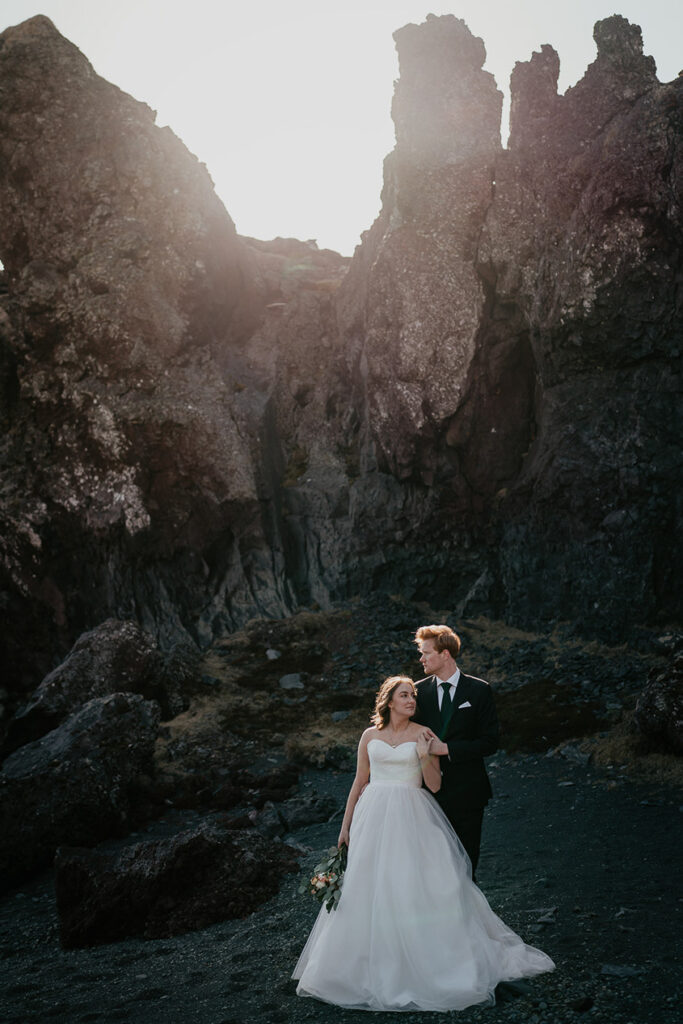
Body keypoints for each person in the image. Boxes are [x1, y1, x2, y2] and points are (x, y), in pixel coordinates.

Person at [293, 676, 554, 1013]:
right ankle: (362, 963)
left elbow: (433, 784)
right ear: (389, 701)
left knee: (412, 884)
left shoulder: (423, 733)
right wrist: (345, 828)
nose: (411, 700)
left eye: (413, 695)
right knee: (368, 886)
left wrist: (425, 755)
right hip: (372, 816)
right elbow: (359, 782)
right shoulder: (369, 735)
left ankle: (421, 961)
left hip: (412, 815)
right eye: (404, 695)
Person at [413, 623, 499, 879]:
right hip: (428, 793)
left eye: (426, 652)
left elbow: (490, 742)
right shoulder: (418, 692)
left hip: (469, 792)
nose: (421, 658)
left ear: (445, 654)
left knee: (467, 862)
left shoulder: (479, 690)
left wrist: (447, 748)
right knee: (434, 863)